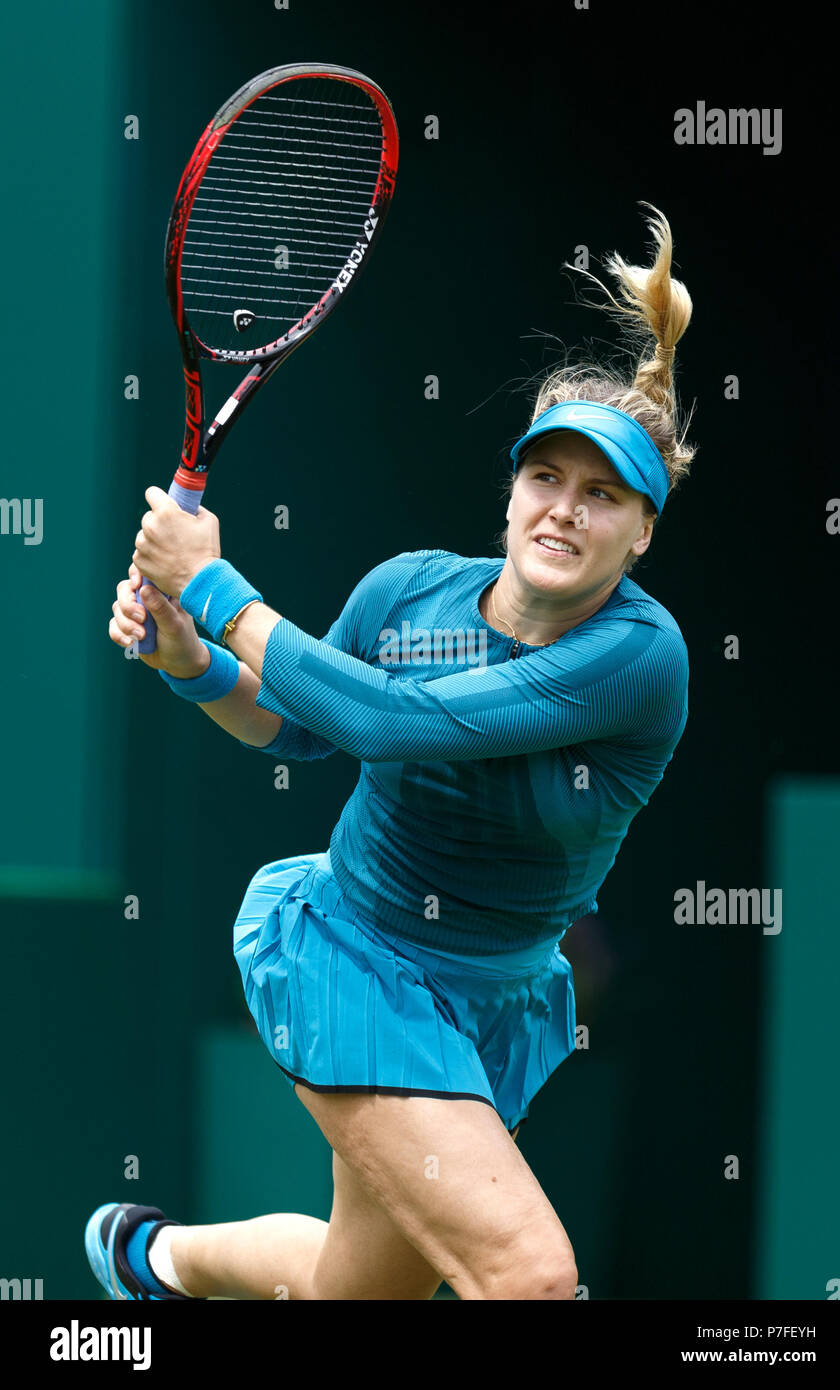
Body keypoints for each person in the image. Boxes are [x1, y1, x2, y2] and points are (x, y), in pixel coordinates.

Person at [85, 203, 694, 1301]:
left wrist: (214, 585)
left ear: (641, 530)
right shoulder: (408, 590)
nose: (563, 511)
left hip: (492, 1000)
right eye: (544, 479)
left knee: (349, 1291)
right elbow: (301, 723)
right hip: (347, 959)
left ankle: (152, 1259)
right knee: (528, 1276)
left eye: (601, 495)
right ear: (509, 489)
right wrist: (187, 654)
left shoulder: (638, 658)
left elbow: (391, 721)